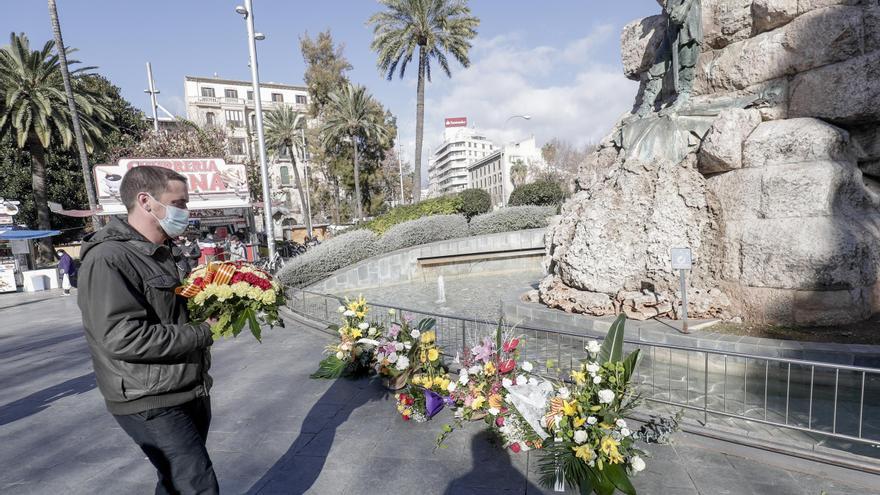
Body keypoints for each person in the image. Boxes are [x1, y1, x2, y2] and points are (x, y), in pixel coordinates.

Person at [77, 166, 219, 494]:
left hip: (184, 387)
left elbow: (170, 313)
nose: (186, 212)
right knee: (196, 483)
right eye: (179, 203)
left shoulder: (160, 254)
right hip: (150, 398)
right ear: (146, 201)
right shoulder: (109, 259)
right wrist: (202, 332)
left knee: (175, 482)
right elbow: (122, 337)